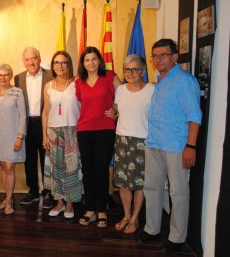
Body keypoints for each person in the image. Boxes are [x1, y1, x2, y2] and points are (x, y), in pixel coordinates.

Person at [137, 39, 202, 253]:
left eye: (163, 55)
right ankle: (152, 228)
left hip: (176, 147)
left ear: (174, 57)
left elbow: (194, 116)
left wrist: (190, 146)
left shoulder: (185, 81)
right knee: (152, 188)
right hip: (154, 143)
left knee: (178, 192)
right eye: (155, 56)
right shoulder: (160, 79)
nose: (158, 59)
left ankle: (177, 237)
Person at [75, 46, 121, 228]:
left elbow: (125, 94)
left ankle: (101, 209)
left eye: (94, 59)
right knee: (88, 170)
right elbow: (78, 105)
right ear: (83, 63)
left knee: (101, 169)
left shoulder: (110, 76)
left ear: (99, 61)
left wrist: (116, 109)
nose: (91, 63)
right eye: (87, 60)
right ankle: (90, 208)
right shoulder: (79, 81)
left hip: (105, 129)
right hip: (84, 130)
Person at [112, 55, 155, 234]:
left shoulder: (152, 89)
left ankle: (135, 218)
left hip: (142, 142)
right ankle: (126, 215)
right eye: (127, 69)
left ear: (143, 71)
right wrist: (110, 112)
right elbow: (116, 109)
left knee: (139, 183)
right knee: (123, 183)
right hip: (122, 139)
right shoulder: (120, 90)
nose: (131, 73)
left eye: (135, 69)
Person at [42, 51, 82, 219]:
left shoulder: (77, 83)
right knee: (56, 169)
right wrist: (44, 135)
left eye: (64, 62)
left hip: (72, 130)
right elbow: (45, 111)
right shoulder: (48, 86)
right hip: (53, 132)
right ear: (53, 66)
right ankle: (59, 202)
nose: (60, 65)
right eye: (56, 62)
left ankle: (70, 203)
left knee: (71, 169)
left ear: (69, 65)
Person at [14, 47, 53, 208]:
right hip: (26, 124)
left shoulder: (50, 76)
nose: (31, 62)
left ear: (39, 58)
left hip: (45, 123)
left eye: (34, 58)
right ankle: (33, 192)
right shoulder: (18, 78)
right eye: (27, 59)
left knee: (47, 159)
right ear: (23, 62)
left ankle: (49, 191)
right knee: (29, 159)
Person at [0, 64, 26, 215]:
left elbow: (23, 116)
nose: (2, 78)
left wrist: (20, 137)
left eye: (6, 75)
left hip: (13, 136)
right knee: (3, 168)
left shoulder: (17, 92)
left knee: (10, 168)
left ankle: (9, 201)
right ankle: (7, 197)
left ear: (11, 76)